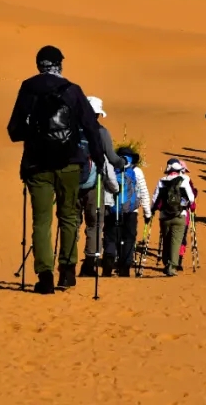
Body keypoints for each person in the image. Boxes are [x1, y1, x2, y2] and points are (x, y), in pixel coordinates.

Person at [7, 45, 105, 294]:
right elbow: (91, 127)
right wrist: (99, 158)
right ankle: (69, 270)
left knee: (41, 222)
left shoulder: (28, 89)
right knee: (69, 216)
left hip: (36, 165)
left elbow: (14, 131)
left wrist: (34, 132)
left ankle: (45, 277)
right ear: (59, 64)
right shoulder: (73, 90)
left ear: (38, 64)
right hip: (70, 163)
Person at [78, 96, 123, 279]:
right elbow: (112, 158)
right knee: (95, 224)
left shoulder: (72, 129)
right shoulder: (101, 132)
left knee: (70, 223)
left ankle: (67, 266)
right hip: (92, 184)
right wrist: (123, 163)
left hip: (71, 182)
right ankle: (88, 265)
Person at [102, 146, 151, 277]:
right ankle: (125, 268)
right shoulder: (137, 171)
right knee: (129, 238)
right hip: (131, 211)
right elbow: (144, 192)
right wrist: (147, 213)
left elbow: (105, 187)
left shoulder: (111, 168)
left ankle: (109, 257)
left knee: (111, 236)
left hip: (112, 209)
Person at [152, 159, 196, 276]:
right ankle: (172, 267)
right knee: (176, 242)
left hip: (164, 217)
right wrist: (190, 207)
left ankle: (166, 263)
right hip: (180, 215)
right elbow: (191, 198)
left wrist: (152, 211)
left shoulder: (161, 181)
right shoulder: (184, 181)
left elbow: (155, 200)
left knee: (166, 240)